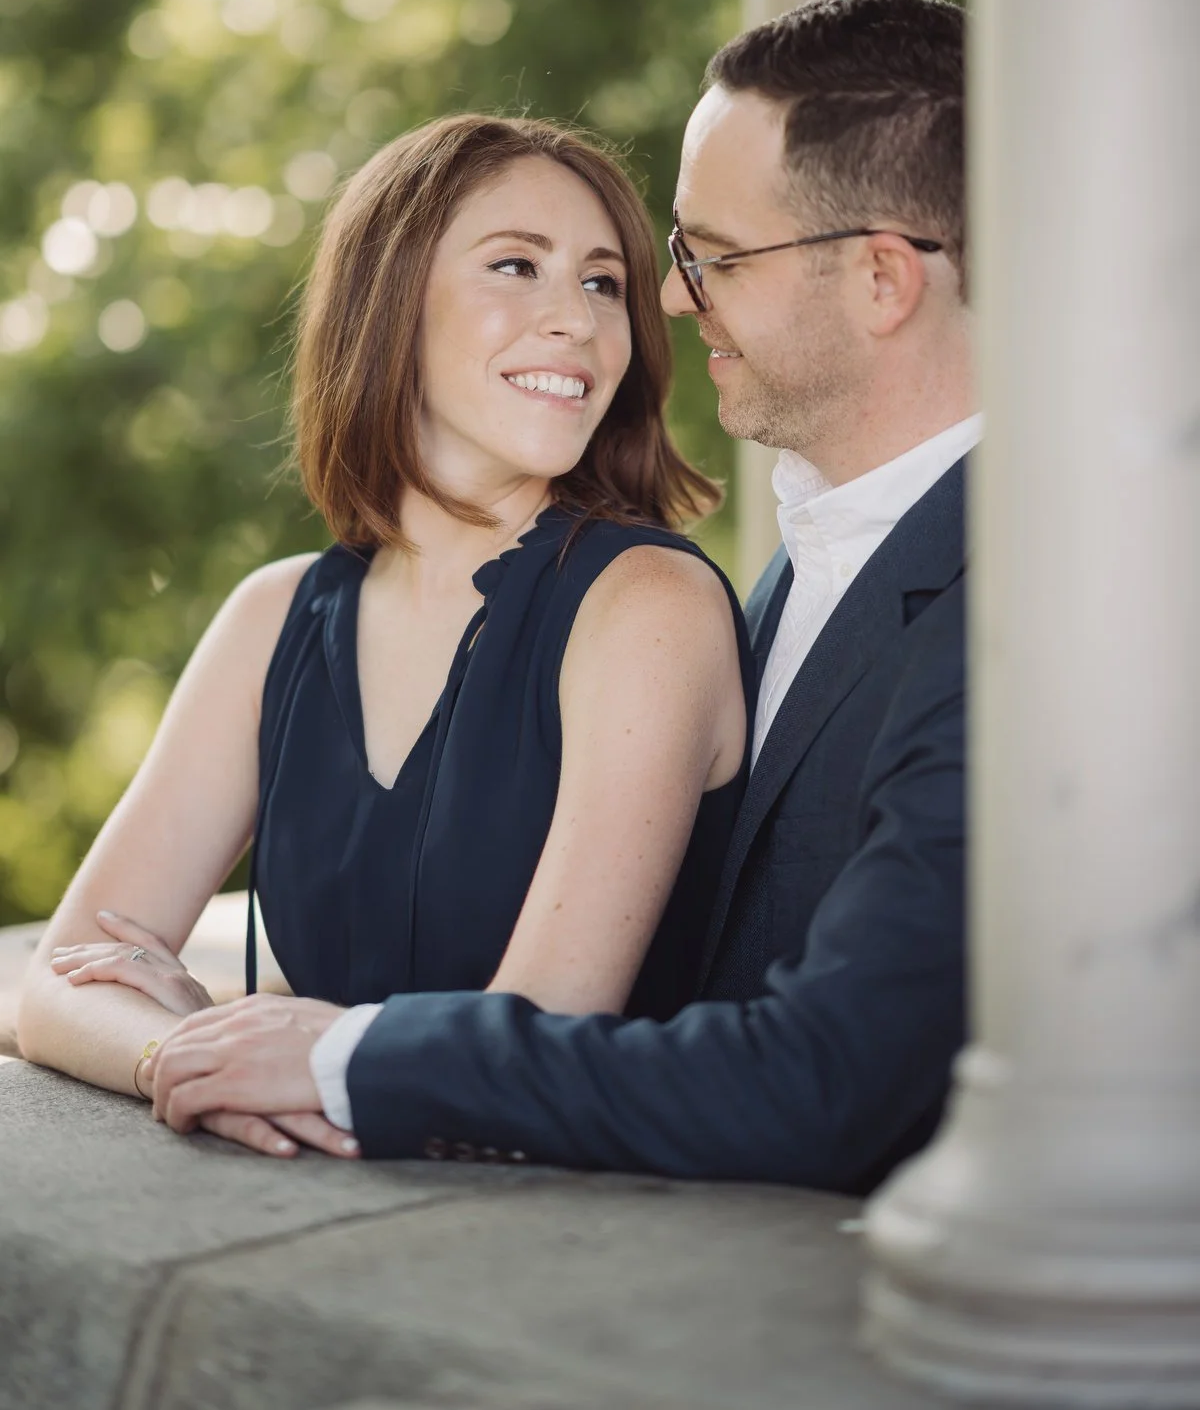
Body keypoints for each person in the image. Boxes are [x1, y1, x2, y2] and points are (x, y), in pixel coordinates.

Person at [131, 0, 979, 1193]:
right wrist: (202, 1038)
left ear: (884, 280)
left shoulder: (1027, 604)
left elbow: (828, 1080)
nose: (670, 300)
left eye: (713, 257)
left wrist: (338, 1053)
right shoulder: (814, 565)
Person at [17, 114, 753, 1161]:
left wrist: (272, 1045)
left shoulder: (645, 607)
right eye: (516, 265)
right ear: (388, 302)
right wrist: (188, 1050)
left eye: (603, 284)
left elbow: (535, 1035)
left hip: (566, 1254)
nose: (579, 322)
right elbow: (59, 982)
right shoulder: (275, 617)